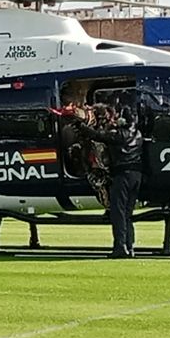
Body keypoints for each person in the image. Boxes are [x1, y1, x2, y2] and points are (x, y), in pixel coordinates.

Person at [60, 103, 143, 258]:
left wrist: (81, 127)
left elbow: (98, 136)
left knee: (118, 212)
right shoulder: (137, 134)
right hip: (136, 175)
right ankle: (130, 247)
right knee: (127, 213)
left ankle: (120, 247)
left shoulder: (119, 135)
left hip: (122, 175)